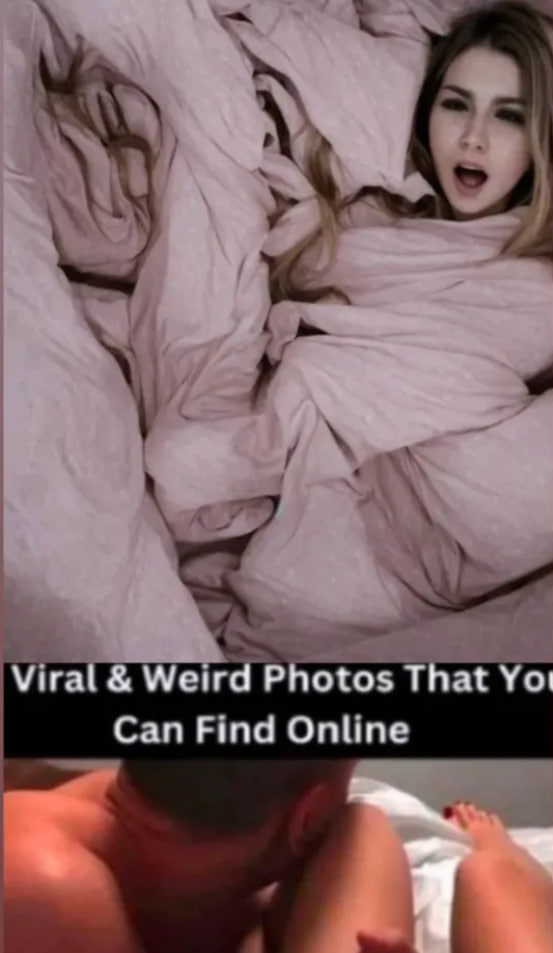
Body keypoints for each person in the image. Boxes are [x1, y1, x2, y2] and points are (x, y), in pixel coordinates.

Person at [4, 759, 553, 953]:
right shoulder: (44, 882)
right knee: (486, 872)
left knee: (362, 822)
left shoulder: (144, 821)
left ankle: (496, 853)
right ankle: (496, 854)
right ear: (304, 817)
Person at [270, 0, 553, 304]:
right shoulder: (362, 220)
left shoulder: (540, 278)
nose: (473, 138)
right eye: (456, 105)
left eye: (508, 116)